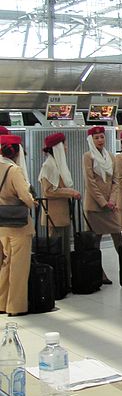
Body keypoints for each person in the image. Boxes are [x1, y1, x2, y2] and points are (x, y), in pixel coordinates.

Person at [38, 133, 81, 288]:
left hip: (63, 214)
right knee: (56, 250)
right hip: (54, 216)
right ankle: (56, 282)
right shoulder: (48, 165)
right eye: (64, 144)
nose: (67, 147)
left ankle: (66, 281)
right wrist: (70, 192)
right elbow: (48, 191)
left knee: (64, 250)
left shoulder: (57, 164)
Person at [0, 135, 36, 316]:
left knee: (6, 264)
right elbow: (25, 196)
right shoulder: (14, 170)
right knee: (19, 267)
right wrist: (32, 202)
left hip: (2, 225)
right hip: (18, 226)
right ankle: (16, 307)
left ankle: (2, 303)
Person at [83, 126, 121, 285]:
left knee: (118, 236)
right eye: (96, 137)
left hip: (110, 206)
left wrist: (112, 200)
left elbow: (116, 181)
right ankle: (99, 273)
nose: (100, 140)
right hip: (95, 206)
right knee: (94, 242)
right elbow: (90, 183)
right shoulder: (88, 156)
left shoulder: (111, 157)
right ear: (91, 140)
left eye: (102, 137)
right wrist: (103, 202)